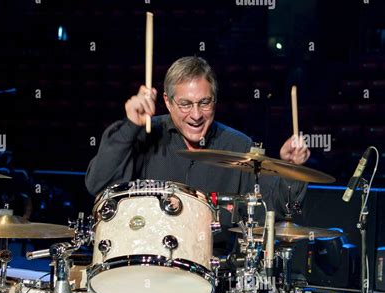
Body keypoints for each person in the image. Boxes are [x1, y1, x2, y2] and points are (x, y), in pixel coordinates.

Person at [86, 56, 310, 247]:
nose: (196, 115)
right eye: (185, 104)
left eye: (204, 102)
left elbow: (275, 209)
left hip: (213, 274)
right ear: (168, 101)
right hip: (146, 263)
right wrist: (129, 126)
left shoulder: (238, 146)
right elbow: (98, 184)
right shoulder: (144, 135)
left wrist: (290, 169)